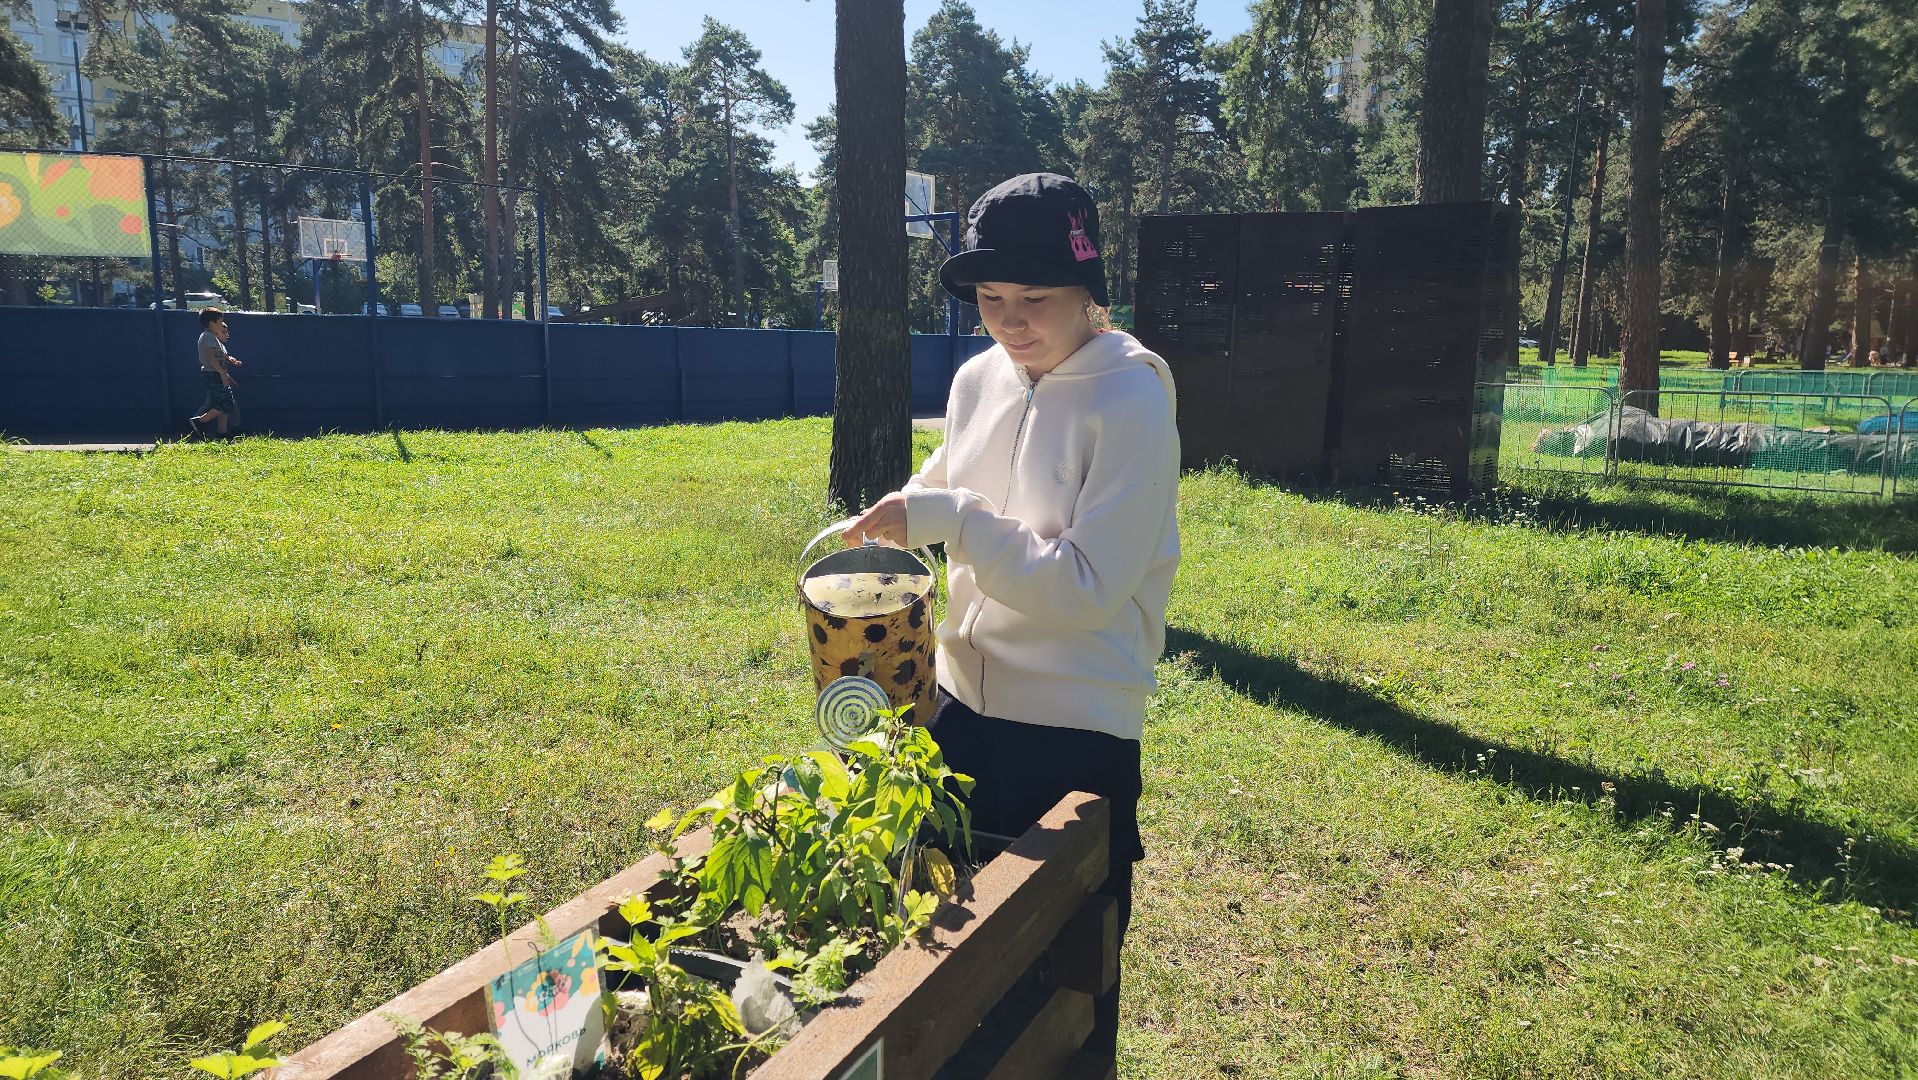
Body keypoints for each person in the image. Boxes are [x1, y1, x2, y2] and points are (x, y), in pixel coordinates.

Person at [844, 172, 1180, 1060]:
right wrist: (900, 513)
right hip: (956, 707)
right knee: (945, 962)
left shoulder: (1133, 399)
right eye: (991, 299)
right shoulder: (978, 379)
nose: (1011, 320)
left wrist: (954, 523)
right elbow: (951, 477)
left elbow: (1085, 590)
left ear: (1089, 291)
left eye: (1035, 297)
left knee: (1063, 979)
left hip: (1073, 730)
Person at [190, 307, 242, 438]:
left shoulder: (214, 338)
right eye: (220, 322)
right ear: (212, 323)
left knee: (224, 404)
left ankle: (222, 432)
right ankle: (200, 421)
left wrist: (231, 360)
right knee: (226, 403)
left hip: (218, 373)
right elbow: (210, 357)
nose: (222, 325)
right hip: (213, 374)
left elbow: (221, 356)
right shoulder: (207, 336)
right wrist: (222, 373)